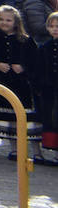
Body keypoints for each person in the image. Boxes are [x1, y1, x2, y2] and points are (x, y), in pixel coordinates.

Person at [0, 4, 38, 160]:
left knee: (29, 119)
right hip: (2, 83)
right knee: (10, 121)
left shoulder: (26, 40)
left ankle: (36, 151)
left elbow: (34, 60)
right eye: (1, 19)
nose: (4, 23)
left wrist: (24, 67)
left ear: (16, 22)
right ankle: (14, 149)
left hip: (23, 85)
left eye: (8, 20)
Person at [31, 12, 58, 165]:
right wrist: (38, 86)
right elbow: (38, 69)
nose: (54, 29)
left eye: (57, 27)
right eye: (51, 26)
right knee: (51, 120)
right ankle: (54, 153)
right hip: (49, 91)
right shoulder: (44, 47)